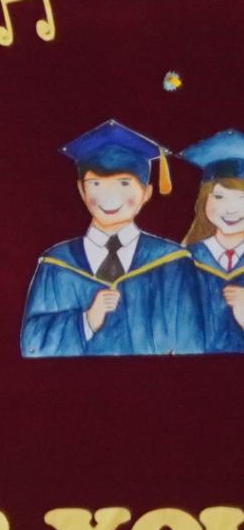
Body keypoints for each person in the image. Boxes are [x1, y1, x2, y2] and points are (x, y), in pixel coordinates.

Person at [22, 120, 199, 357]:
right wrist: (86, 321)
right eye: (95, 183)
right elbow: (31, 345)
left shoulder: (172, 263)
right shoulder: (56, 263)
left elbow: (191, 343)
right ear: (81, 190)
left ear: (146, 193)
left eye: (124, 183)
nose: (110, 196)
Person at [175, 130, 244, 355]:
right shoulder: (185, 260)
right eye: (219, 196)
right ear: (204, 199)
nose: (231, 209)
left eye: (242, 199)